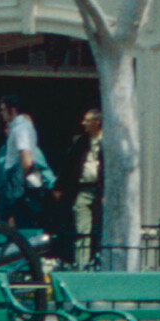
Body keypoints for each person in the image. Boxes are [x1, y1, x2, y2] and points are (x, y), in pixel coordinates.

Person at [0, 95, 51, 230]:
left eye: (3, 109)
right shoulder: (21, 127)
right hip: (16, 184)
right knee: (19, 221)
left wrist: (25, 183)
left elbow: (26, 157)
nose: (1, 113)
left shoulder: (20, 129)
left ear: (12, 110)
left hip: (16, 184)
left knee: (7, 223)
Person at [65, 110, 104, 266]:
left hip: (101, 191)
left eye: (87, 120)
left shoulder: (107, 141)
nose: (83, 123)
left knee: (101, 229)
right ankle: (81, 265)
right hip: (84, 189)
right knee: (82, 229)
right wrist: (60, 187)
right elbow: (70, 164)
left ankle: (100, 263)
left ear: (97, 122)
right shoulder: (81, 142)